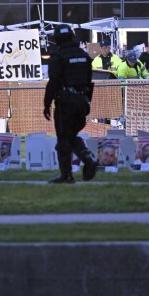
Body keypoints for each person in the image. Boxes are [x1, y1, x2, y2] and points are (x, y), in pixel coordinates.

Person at [44, 24, 98, 184]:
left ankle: (66, 175)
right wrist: (86, 102)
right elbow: (89, 82)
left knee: (63, 139)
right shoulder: (84, 55)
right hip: (82, 102)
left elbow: (53, 82)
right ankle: (88, 158)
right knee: (71, 136)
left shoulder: (58, 57)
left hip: (66, 103)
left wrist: (46, 104)